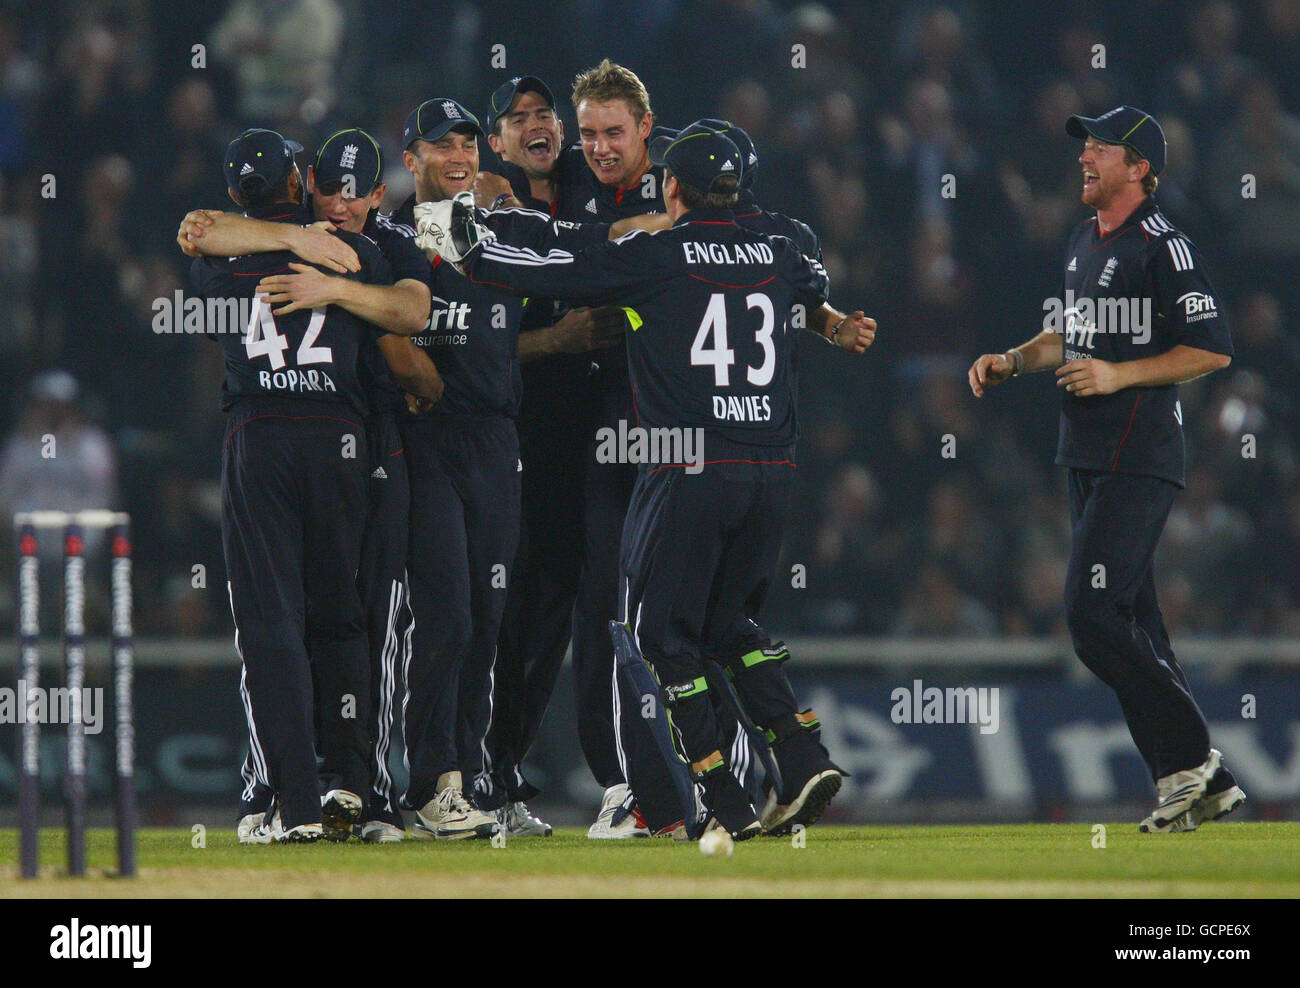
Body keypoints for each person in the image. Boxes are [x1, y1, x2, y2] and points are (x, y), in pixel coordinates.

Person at [419, 120, 874, 837]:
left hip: (689, 461)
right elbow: (809, 281)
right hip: (773, 467)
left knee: (660, 636)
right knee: (728, 623)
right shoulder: (787, 246)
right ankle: (802, 750)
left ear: (671, 187)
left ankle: (722, 801)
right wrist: (829, 323)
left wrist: (473, 234)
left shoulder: (658, 255)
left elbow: (547, 268)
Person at [967, 105, 1246, 832]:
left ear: (1140, 168)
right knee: (1135, 626)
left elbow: (1211, 348)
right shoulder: (1082, 241)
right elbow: (1069, 333)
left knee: (1091, 615)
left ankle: (1198, 762)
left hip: (1139, 455)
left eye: (1101, 146)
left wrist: (1120, 376)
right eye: (1084, 144)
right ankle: (1185, 781)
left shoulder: (1164, 245)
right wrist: (1015, 360)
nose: (1084, 155)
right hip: (1087, 456)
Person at [179, 127, 441, 843]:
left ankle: (292, 806)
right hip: (340, 438)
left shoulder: (220, 256)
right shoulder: (357, 247)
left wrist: (276, 241)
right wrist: (323, 261)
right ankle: (352, 787)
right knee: (343, 617)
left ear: (238, 192)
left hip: (259, 435)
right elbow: (412, 315)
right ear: (300, 179)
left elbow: (196, 236)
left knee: (272, 625)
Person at [393, 96, 627, 839]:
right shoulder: (392, 241)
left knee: (489, 622)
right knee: (446, 618)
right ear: (410, 159)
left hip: (498, 441)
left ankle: (473, 783)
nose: (458, 157)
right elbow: (376, 329)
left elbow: (588, 245)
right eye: (441, 146)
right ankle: (430, 782)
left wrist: (660, 233)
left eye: (466, 144)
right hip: (425, 440)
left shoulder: (505, 228)